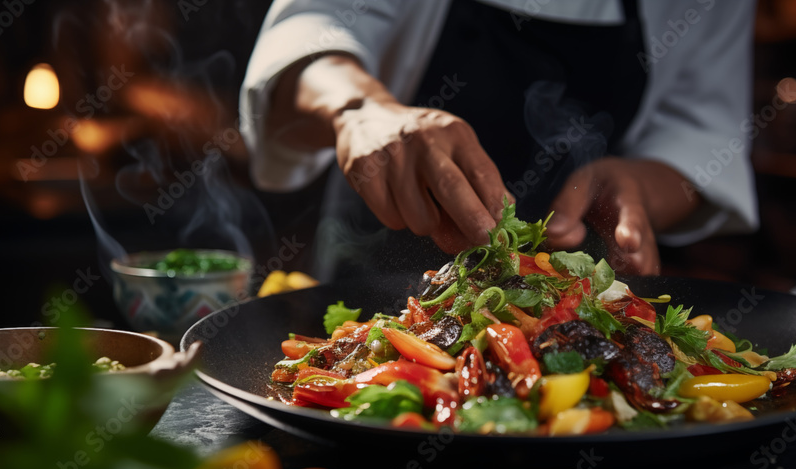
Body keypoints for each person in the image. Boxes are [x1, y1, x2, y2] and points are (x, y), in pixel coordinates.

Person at [240, 0, 757, 279]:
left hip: (580, 289)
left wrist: (642, 187)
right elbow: (312, 23)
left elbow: (702, 130)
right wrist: (360, 109)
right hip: (372, 274)